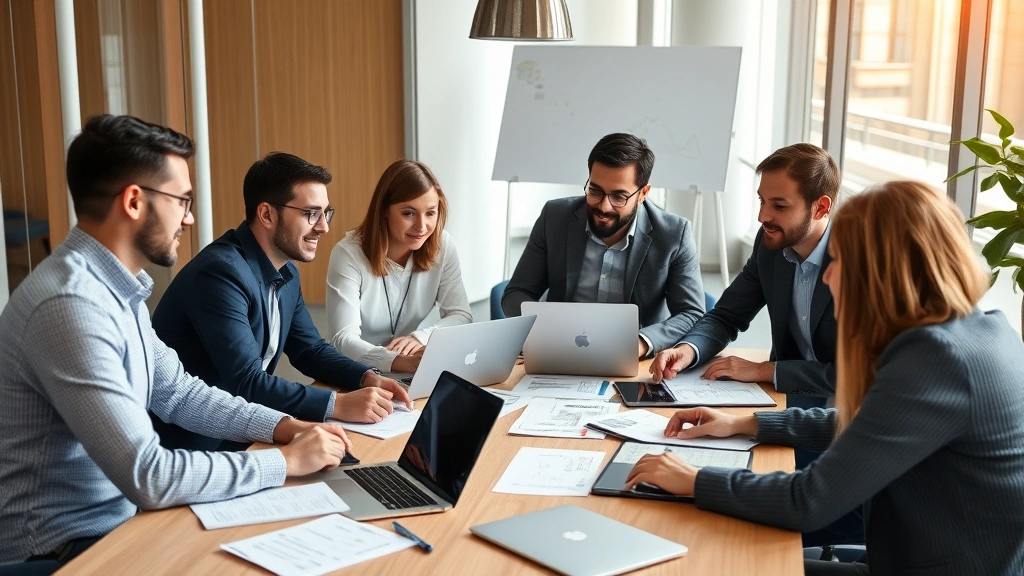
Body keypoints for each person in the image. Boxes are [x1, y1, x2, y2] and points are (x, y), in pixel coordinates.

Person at [0, 115, 354, 567]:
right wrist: (284, 462)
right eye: (182, 200)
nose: (189, 218)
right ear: (133, 202)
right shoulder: (70, 305)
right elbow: (149, 474)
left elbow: (181, 393)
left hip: (119, 523)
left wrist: (287, 428)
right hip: (62, 551)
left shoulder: (115, 291)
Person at [626, 181, 1024, 576]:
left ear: (883, 268)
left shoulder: (938, 359)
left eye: (839, 261)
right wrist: (747, 422)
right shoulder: (980, 330)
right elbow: (875, 424)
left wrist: (694, 479)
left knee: (705, 564)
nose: (828, 278)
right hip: (903, 558)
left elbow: (808, 500)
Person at [152, 152, 411, 452]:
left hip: (248, 430)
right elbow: (246, 380)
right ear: (267, 214)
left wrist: (366, 377)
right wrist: (337, 404)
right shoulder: (220, 273)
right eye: (311, 213)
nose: (324, 227)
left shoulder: (285, 269)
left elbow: (309, 350)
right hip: (195, 445)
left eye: (325, 213)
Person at [650, 143, 840, 402]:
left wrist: (764, 370)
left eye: (780, 206)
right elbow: (726, 316)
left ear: (820, 208)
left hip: (850, 410)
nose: (763, 216)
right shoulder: (770, 244)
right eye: (762, 201)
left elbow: (861, 374)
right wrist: (688, 350)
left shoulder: (859, 262)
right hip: (786, 397)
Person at [501, 133, 704, 357]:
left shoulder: (674, 234)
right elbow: (516, 293)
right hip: (560, 351)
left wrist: (641, 343)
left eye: (619, 197)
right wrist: (547, 330)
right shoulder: (555, 217)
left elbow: (691, 313)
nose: (604, 207)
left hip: (633, 359)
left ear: (643, 193)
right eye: (595, 191)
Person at [326, 159, 471, 373]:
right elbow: (343, 339)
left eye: (431, 213)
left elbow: (461, 315)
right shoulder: (348, 254)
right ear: (384, 209)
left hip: (406, 366)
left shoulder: (443, 245)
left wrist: (421, 336)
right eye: (409, 213)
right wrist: (394, 361)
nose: (421, 227)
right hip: (355, 369)